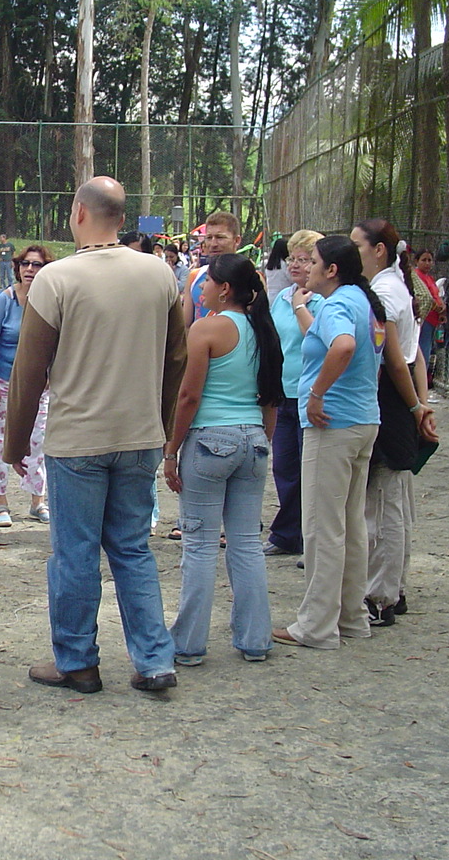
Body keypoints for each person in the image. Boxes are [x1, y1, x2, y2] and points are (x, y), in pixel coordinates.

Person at [6, 176, 188, 695]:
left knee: (75, 554)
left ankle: (78, 662)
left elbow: (29, 369)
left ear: (79, 213)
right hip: (140, 436)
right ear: (123, 218)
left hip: (78, 440)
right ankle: (154, 660)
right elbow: (176, 357)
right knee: (132, 549)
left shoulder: (56, 279)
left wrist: (16, 443)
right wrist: (161, 424)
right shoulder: (160, 274)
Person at [164, 253, 283, 665]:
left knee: (199, 546)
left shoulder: (206, 328)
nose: (202, 287)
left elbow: (189, 395)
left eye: (208, 281)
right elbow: (270, 397)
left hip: (209, 439)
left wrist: (171, 450)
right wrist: (262, 439)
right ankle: (255, 638)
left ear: (225, 288)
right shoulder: (263, 330)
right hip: (253, 438)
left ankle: (188, 642)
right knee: (246, 544)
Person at [273, 235, 385, 650]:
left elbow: (343, 345)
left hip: (333, 424)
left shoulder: (338, 304)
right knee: (350, 524)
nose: (306, 268)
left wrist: (317, 393)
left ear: (332, 270)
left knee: (322, 526)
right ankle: (351, 616)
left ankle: (317, 624)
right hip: (363, 420)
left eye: (313, 261)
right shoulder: (362, 301)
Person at [351, 220, 437, 627]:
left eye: (358, 245)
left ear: (379, 250)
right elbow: (414, 358)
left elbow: (397, 359)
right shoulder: (395, 287)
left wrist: (416, 406)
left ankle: (381, 595)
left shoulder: (384, 293)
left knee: (383, 504)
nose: (353, 252)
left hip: (388, 401)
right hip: (397, 402)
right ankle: (393, 588)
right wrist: (418, 404)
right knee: (394, 500)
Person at [0, 244, 54, 528]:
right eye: (25, 264)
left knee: (38, 441)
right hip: (3, 378)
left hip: (36, 384)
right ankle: (0, 503)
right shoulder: (5, 299)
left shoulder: (49, 301)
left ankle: (37, 500)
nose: (30, 270)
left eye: (37, 265)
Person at [265, 229, 325, 557]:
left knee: (310, 469)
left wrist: (302, 305)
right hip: (283, 393)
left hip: (310, 393)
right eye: (292, 258)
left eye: (305, 259)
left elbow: (317, 338)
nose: (296, 265)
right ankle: (287, 534)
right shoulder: (282, 298)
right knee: (284, 467)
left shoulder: (323, 301)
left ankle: (308, 538)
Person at [183, 212, 242, 327]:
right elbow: (186, 324)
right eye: (209, 238)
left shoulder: (250, 277)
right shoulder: (195, 276)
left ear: (237, 240)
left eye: (220, 237)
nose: (213, 244)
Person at [413, 248, 444, 386]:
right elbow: (425, 297)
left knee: (429, 350)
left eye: (429, 260)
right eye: (423, 260)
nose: (427, 263)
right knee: (423, 351)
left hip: (433, 320)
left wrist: (442, 309)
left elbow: (436, 295)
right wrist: (436, 307)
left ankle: (423, 381)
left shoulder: (429, 278)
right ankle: (419, 384)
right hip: (423, 318)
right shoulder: (416, 276)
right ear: (416, 261)